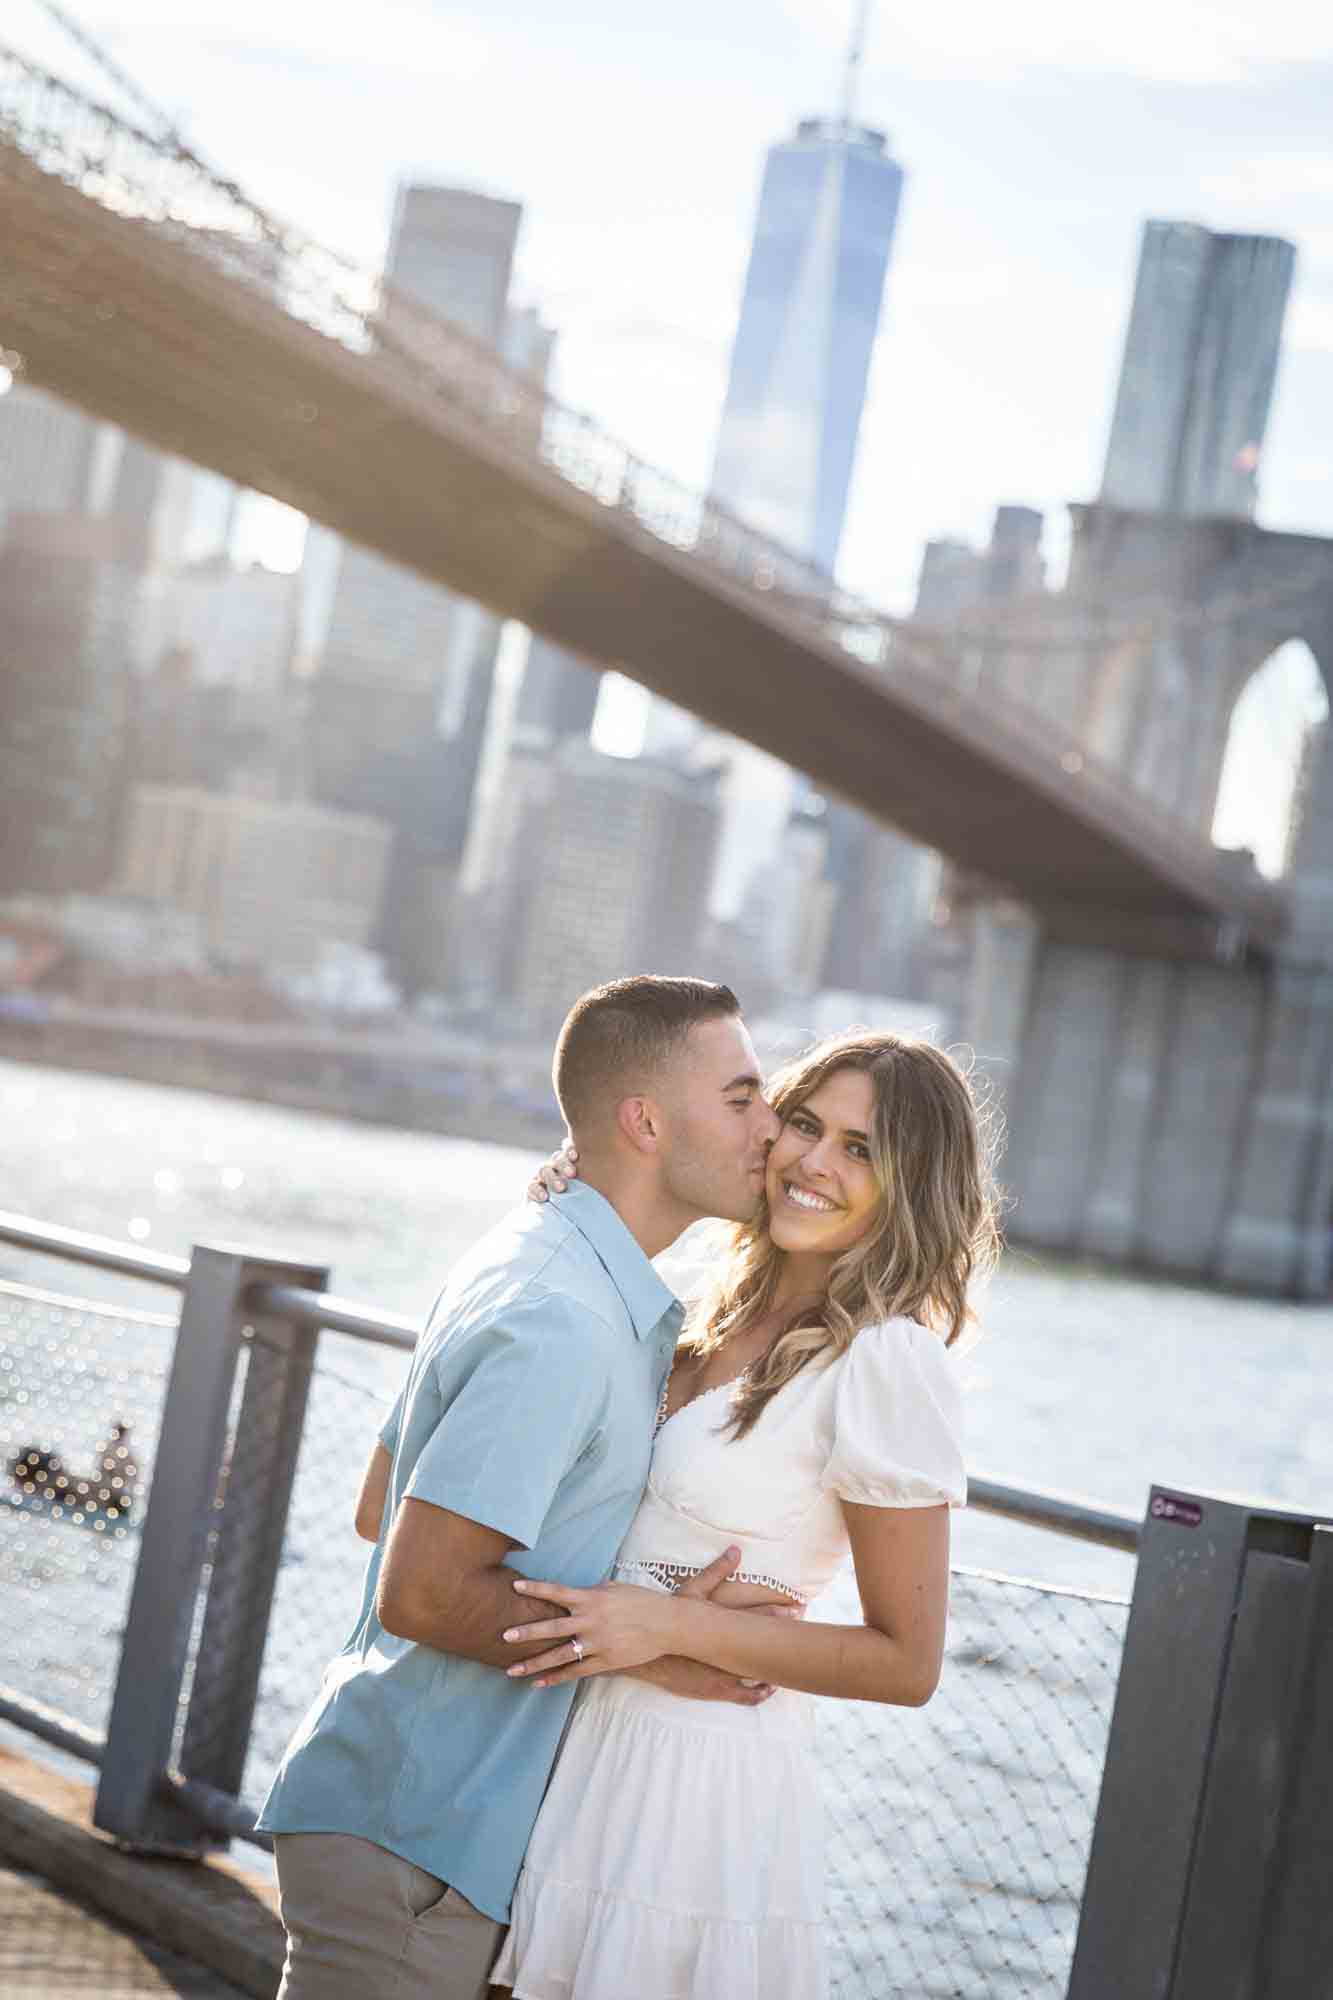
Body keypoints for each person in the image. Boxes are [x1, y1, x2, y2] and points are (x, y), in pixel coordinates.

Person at [256, 975, 784, 2000]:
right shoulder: (563, 1319)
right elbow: (420, 1587)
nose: (770, 1128)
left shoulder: (541, 1258)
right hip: (417, 1834)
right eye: (742, 1097)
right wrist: (655, 1637)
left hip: (411, 1823)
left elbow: (380, 1503)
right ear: (643, 1119)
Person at [490, 1030, 997, 2000]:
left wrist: (672, 1623)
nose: (814, 1160)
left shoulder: (887, 1360)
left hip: (689, 1782)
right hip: (562, 1735)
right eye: (805, 1123)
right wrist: (564, 1205)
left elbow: (907, 1660)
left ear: (912, 1183)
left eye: (861, 1146)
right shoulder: (695, 1314)